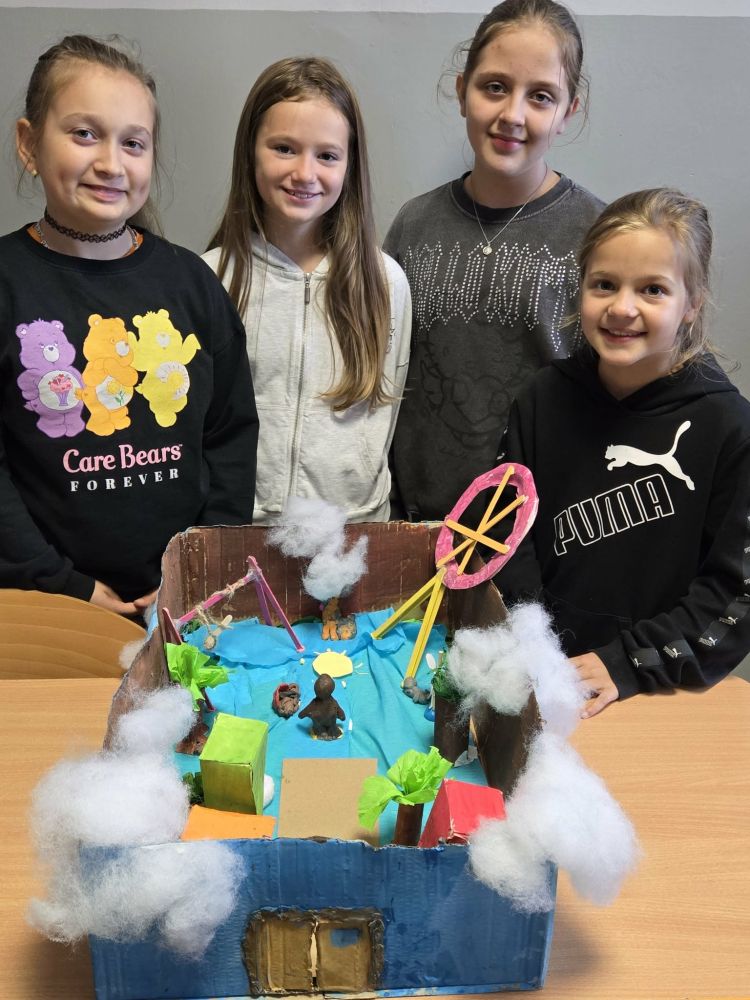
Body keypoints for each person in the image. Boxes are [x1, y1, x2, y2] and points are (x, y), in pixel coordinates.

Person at [0, 35, 258, 615]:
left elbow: (230, 441)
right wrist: (65, 585)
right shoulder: (7, 282)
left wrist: (200, 566)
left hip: (184, 598)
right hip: (43, 603)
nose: (111, 163)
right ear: (28, 143)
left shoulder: (192, 284)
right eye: (84, 133)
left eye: (133, 143)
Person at [497, 188, 750, 718]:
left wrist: (629, 662)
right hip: (538, 673)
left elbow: (735, 593)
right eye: (604, 284)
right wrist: (532, 639)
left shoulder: (731, 428)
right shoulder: (541, 398)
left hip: (651, 689)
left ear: (692, 303)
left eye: (653, 289)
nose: (622, 308)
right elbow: (506, 530)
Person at [385, 0, 603, 522]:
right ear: (463, 92)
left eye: (541, 96)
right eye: (495, 87)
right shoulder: (414, 224)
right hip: (415, 521)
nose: (513, 115)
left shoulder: (599, 235)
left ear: (568, 111)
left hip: (542, 528)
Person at [203, 57, 411, 524]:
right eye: (284, 148)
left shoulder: (385, 282)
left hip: (354, 531)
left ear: (349, 165)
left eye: (327, 156)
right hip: (234, 527)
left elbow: (387, 416)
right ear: (250, 152)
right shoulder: (209, 279)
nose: (304, 173)